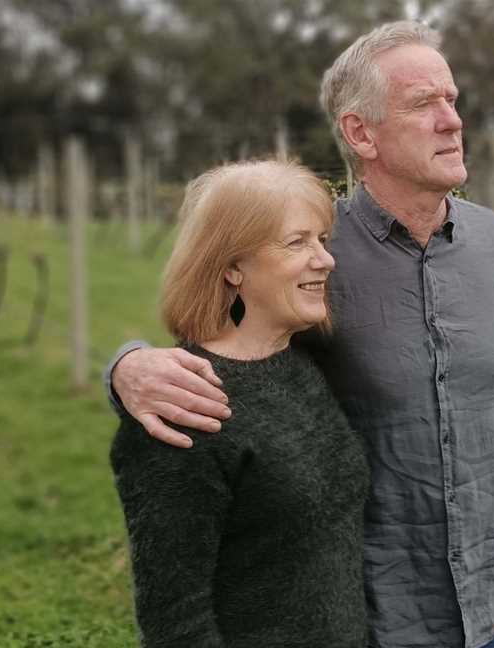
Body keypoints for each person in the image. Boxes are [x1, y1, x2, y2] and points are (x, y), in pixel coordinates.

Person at [106, 21, 494, 648]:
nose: (452, 121)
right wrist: (126, 368)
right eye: (423, 104)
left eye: (452, 99)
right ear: (361, 132)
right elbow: (231, 350)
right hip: (382, 617)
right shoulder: (313, 262)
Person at [110, 160, 371, 648]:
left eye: (322, 240)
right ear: (232, 266)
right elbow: (176, 624)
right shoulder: (186, 407)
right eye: (297, 243)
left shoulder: (302, 362)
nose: (325, 259)